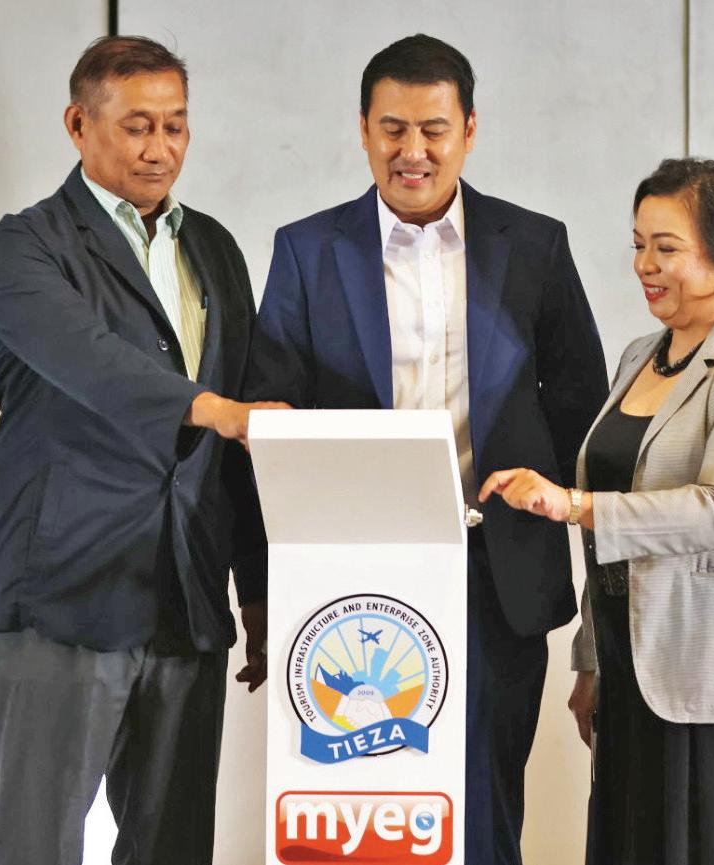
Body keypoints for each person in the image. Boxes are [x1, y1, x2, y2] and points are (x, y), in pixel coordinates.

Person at [243, 34, 608, 865]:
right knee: (362, 806)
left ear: (469, 130)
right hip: (351, 572)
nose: (413, 151)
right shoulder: (306, 248)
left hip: (500, 569)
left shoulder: (535, 244)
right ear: (362, 129)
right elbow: (271, 416)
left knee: (486, 798)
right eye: (393, 128)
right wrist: (259, 582)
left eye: (434, 129)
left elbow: (577, 406)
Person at [0, 36, 284, 865]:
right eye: (138, 126)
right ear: (78, 125)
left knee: (174, 848)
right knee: (37, 847)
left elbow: (235, 452)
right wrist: (212, 409)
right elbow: (91, 363)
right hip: (63, 598)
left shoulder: (213, 247)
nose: (160, 149)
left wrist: (255, 588)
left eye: (175, 126)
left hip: (185, 599)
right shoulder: (26, 245)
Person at [480, 157, 714, 865]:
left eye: (666, 248)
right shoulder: (640, 355)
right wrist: (590, 660)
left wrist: (570, 503)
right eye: (638, 244)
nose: (644, 265)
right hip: (628, 662)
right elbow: (612, 528)